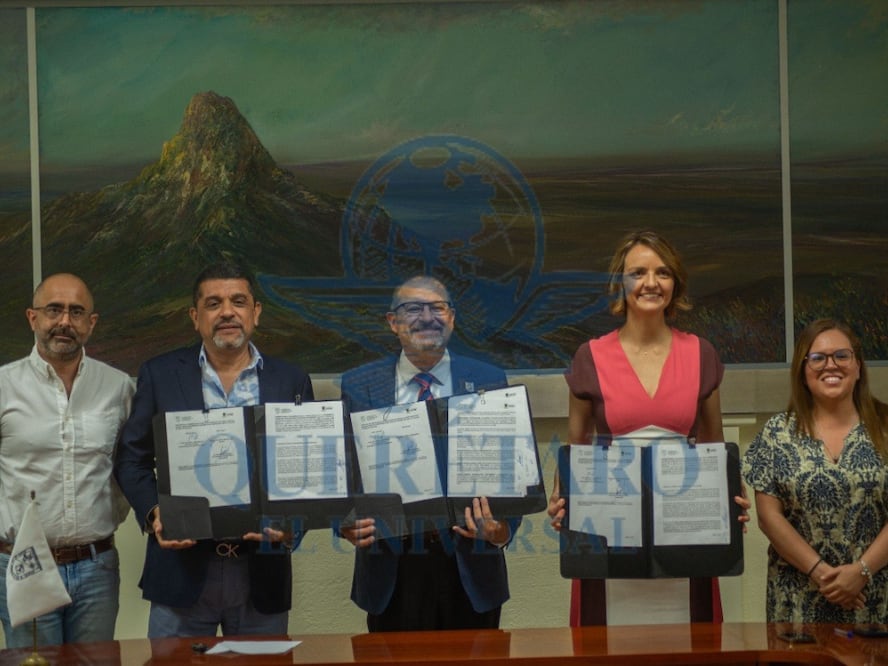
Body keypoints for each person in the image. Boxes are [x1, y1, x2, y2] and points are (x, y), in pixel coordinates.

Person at [547, 230, 746, 626]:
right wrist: (561, 500)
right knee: (607, 646)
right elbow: (576, 452)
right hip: (610, 537)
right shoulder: (590, 357)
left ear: (676, 284)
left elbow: (715, 452)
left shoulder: (701, 354)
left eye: (663, 273)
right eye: (638, 273)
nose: (651, 283)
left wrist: (730, 501)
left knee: (691, 645)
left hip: (686, 537)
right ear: (620, 282)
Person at [113, 261, 313, 638]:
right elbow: (131, 459)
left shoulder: (291, 380)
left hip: (262, 575)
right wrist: (155, 512)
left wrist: (293, 526)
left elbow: (305, 468)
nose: (227, 312)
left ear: (255, 312)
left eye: (238, 301)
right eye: (213, 303)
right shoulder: (160, 374)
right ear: (195, 316)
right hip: (180, 572)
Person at [339, 275, 520, 632]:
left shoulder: (489, 380)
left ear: (451, 317)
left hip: (471, 566)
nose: (426, 318)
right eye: (412, 309)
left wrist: (501, 530)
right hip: (391, 569)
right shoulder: (359, 385)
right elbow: (341, 469)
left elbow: (509, 472)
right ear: (393, 321)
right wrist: (345, 523)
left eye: (437, 308)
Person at [0, 273, 135, 647]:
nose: (64, 321)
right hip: (25, 564)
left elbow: (132, 465)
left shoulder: (119, 387)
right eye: (53, 310)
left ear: (91, 323)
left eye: (76, 312)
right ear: (32, 317)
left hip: (96, 566)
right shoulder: (3, 386)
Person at [744, 318, 888, 622]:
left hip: (875, 599)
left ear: (858, 366)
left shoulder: (885, 427)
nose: (830, 365)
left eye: (842, 356)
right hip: (796, 603)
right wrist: (823, 574)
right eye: (818, 358)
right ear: (802, 371)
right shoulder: (777, 433)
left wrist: (861, 572)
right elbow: (769, 517)